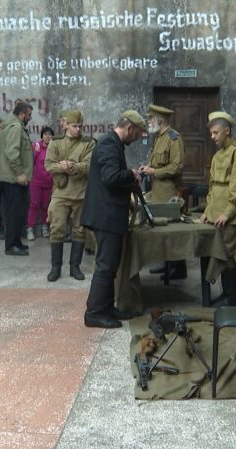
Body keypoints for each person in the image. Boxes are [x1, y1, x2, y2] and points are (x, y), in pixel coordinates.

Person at [80, 110, 146, 328]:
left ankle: (107, 307)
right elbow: (110, 177)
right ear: (129, 128)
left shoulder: (114, 144)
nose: (136, 139)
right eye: (136, 134)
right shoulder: (109, 144)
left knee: (110, 265)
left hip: (109, 214)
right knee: (105, 266)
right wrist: (131, 175)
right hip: (105, 216)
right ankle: (94, 313)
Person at [199, 111, 236, 306]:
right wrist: (207, 211)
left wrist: (227, 214)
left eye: (215, 133)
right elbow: (212, 187)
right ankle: (227, 293)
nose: (212, 137)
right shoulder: (217, 155)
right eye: (211, 133)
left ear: (227, 131)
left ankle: (233, 297)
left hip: (229, 217)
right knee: (218, 254)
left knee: (228, 257)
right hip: (215, 214)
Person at [45, 111, 95, 281]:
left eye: (80, 126)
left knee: (79, 231)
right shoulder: (56, 142)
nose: (78, 129)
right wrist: (62, 167)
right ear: (65, 125)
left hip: (80, 193)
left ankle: (75, 267)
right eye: (74, 126)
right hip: (60, 193)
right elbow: (48, 166)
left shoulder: (89, 143)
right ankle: (55, 268)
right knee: (56, 229)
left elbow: (89, 166)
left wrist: (72, 166)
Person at [139, 104, 186, 280]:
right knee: (161, 230)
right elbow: (158, 162)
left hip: (168, 191)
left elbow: (177, 166)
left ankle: (178, 268)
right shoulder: (159, 137)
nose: (149, 121)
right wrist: (148, 168)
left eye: (151, 118)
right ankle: (166, 263)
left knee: (172, 230)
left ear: (160, 119)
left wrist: (154, 172)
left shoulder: (174, 138)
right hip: (157, 190)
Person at [0, 102, 34, 256]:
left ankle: (16, 242)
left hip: (11, 178)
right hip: (15, 179)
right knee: (14, 213)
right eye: (29, 115)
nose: (30, 118)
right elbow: (11, 152)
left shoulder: (7, 126)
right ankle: (11, 246)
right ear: (22, 114)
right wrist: (20, 173)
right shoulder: (15, 127)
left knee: (16, 212)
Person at [26, 126, 54, 241]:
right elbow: (30, 162)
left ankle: (44, 227)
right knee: (34, 205)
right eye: (46, 134)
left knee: (46, 206)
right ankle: (30, 228)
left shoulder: (54, 148)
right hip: (36, 182)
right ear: (42, 136)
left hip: (49, 182)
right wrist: (35, 152)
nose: (48, 136)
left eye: (50, 134)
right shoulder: (36, 146)